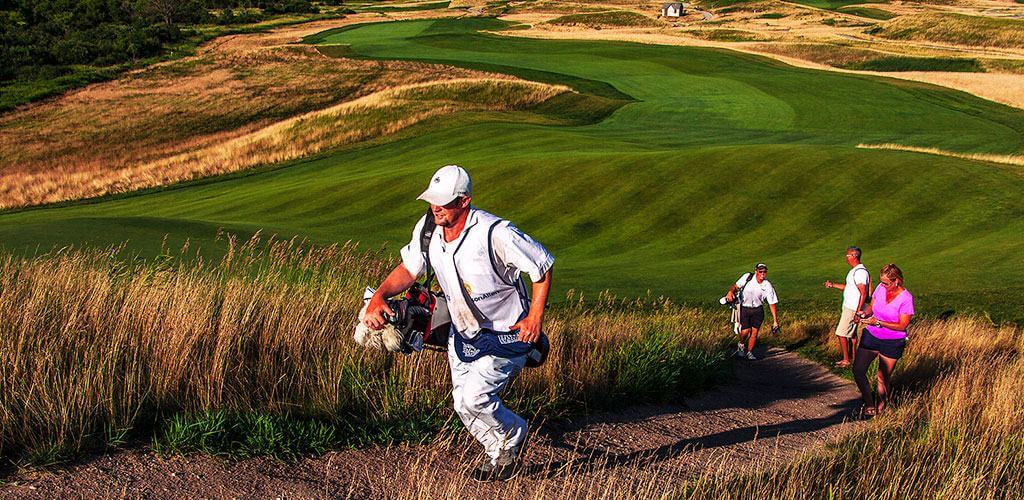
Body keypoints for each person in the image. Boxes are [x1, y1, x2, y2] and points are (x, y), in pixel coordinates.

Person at [362, 165, 554, 482]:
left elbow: (542, 267)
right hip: (463, 333)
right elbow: (409, 269)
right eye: (432, 200)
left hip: (507, 333)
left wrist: (535, 318)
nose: (435, 207)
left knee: (474, 398)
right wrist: (380, 295)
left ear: (464, 201)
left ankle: (514, 433)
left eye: (444, 201)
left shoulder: (494, 232)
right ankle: (500, 452)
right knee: (462, 405)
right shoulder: (428, 230)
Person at [852, 263, 914, 417]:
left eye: (886, 283)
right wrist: (863, 314)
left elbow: (902, 325)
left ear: (896, 281)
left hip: (892, 341)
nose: (883, 285)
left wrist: (879, 323)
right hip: (872, 335)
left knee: (882, 376)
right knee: (858, 370)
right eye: (882, 281)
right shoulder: (880, 288)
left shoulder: (906, 298)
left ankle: (880, 408)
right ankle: (869, 402)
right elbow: (871, 307)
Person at [824, 246, 870, 368]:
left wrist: (858, 311)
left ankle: (846, 360)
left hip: (853, 308)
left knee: (841, 333)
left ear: (854, 256)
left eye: (848, 255)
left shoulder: (860, 272)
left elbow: (863, 292)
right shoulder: (854, 271)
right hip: (850, 306)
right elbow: (848, 287)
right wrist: (832, 285)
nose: (846, 257)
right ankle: (854, 358)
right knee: (852, 334)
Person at [724, 263, 779, 360]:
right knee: (745, 331)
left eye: (764, 272)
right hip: (745, 308)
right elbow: (735, 286)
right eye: (760, 271)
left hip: (758, 310)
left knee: (754, 333)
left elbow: (772, 303)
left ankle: (750, 352)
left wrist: (775, 321)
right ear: (756, 271)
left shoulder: (767, 285)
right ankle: (741, 345)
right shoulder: (747, 277)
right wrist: (730, 292)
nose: (762, 274)